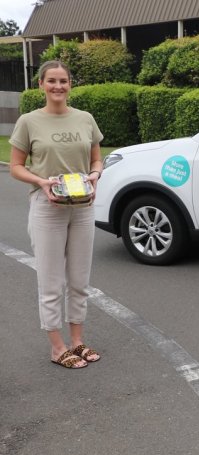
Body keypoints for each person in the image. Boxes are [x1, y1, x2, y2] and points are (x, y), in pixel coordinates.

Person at [9, 60, 104, 369]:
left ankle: (77, 341)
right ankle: (57, 346)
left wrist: (94, 176)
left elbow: (96, 160)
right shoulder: (28, 121)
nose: (58, 86)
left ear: (70, 84)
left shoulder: (85, 119)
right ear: (41, 85)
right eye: (52, 81)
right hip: (46, 207)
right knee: (51, 283)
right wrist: (40, 181)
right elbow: (15, 167)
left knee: (79, 280)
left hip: (82, 207)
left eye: (63, 80)